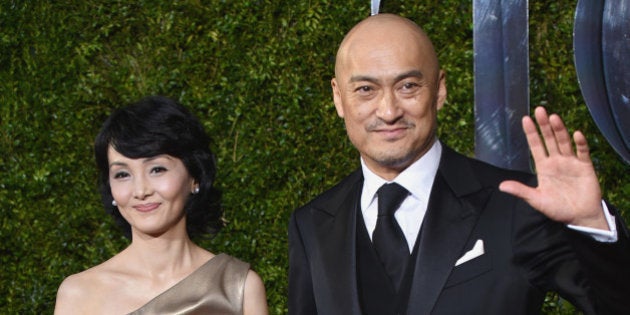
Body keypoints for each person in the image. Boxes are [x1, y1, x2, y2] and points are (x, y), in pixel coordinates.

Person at [288, 13, 630, 315]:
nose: (389, 111)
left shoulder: (516, 206)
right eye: (365, 89)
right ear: (338, 97)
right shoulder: (313, 225)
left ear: (439, 89)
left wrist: (592, 224)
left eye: (408, 86)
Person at [54, 96, 268, 314]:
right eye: (122, 174)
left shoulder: (238, 288)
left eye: (157, 169)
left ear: (194, 177)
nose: (141, 191)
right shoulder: (79, 294)